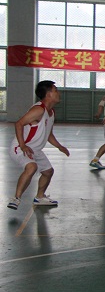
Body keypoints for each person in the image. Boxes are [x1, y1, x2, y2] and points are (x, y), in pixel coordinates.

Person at [7, 81, 70, 209]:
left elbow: (49, 134)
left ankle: (40, 197)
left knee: (48, 172)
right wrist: (23, 145)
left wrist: (60, 146)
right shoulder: (38, 110)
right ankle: (16, 199)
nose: (58, 93)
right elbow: (19, 124)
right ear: (48, 94)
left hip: (35, 150)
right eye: (55, 90)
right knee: (32, 167)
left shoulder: (51, 112)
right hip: (20, 147)